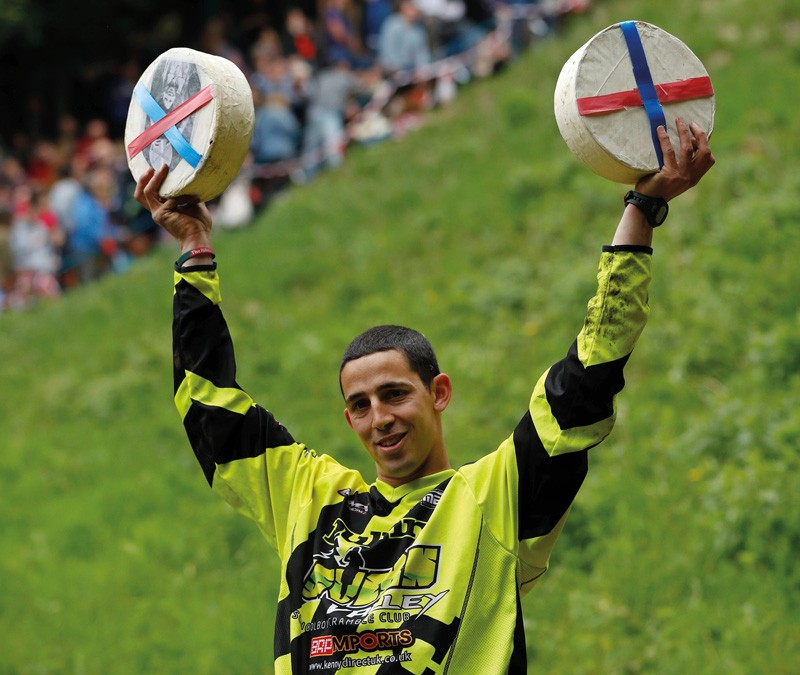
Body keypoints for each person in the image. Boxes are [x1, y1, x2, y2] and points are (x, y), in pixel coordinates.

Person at [134, 117, 714, 673]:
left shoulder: (492, 499)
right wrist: (195, 246)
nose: (379, 418)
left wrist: (642, 209)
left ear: (439, 393)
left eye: (394, 394)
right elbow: (208, 403)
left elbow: (590, 370)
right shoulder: (307, 499)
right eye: (360, 405)